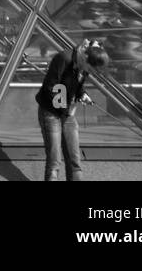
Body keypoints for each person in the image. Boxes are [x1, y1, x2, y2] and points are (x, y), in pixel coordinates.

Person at [36, 40, 109, 181]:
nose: (91, 73)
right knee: (54, 160)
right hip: (50, 113)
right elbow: (50, 87)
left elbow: (77, 84)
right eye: (91, 70)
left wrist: (82, 95)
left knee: (74, 159)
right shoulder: (64, 58)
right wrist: (67, 108)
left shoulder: (84, 65)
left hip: (67, 113)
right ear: (86, 58)